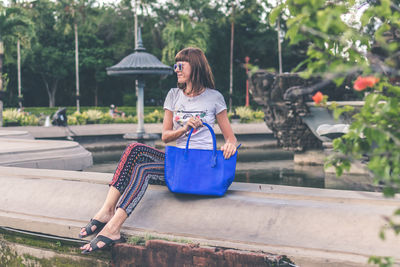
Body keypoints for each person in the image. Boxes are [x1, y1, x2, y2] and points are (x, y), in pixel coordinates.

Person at [79, 47, 238, 254]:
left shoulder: (214, 98)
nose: (176, 69)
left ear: (196, 66)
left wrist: (228, 145)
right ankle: (107, 210)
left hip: (199, 164)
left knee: (143, 171)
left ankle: (113, 227)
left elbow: (231, 139)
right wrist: (185, 128)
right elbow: (165, 136)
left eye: (181, 65)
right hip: (179, 159)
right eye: (175, 65)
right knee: (134, 148)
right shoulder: (173, 95)